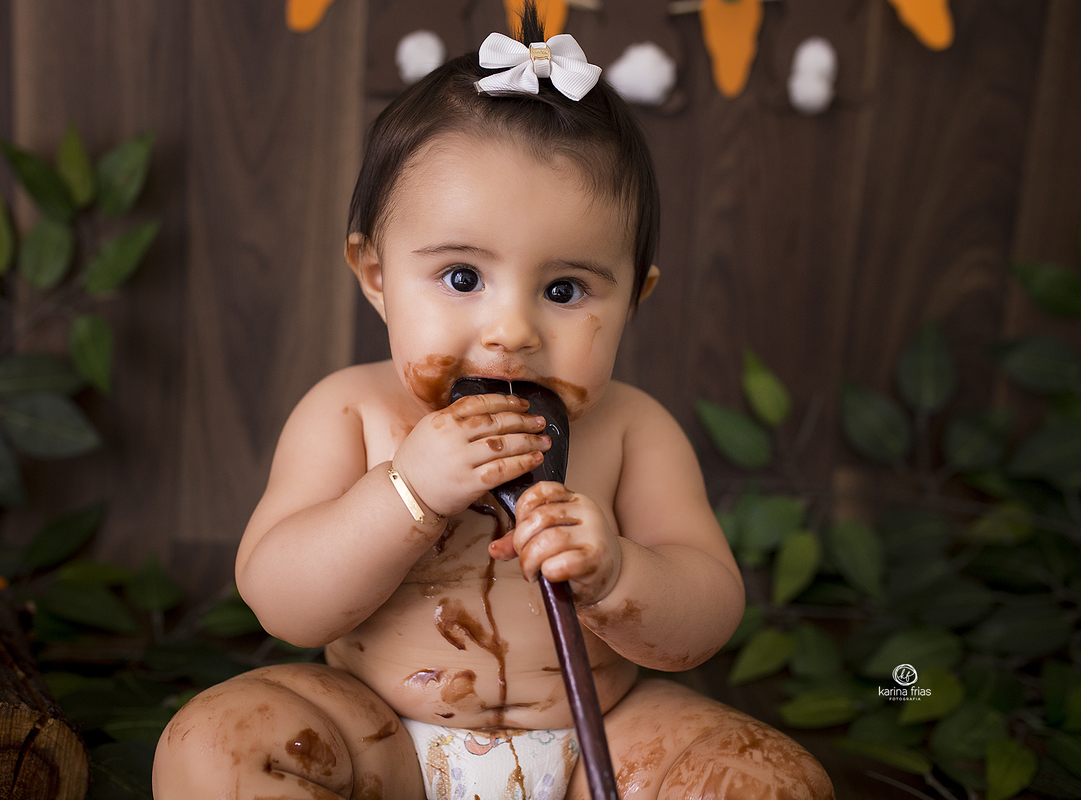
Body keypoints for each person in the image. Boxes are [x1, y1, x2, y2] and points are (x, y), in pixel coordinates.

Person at [154, 6, 833, 799]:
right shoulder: (349, 412)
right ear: (375, 275)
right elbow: (282, 604)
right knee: (213, 747)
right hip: (382, 741)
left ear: (634, 300)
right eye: (463, 278)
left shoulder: (635, 430)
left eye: (564, 289)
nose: (512, 332)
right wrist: (407, 491)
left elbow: (706, 616)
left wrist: (617, 573)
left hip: (599, 743)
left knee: (770, 782)